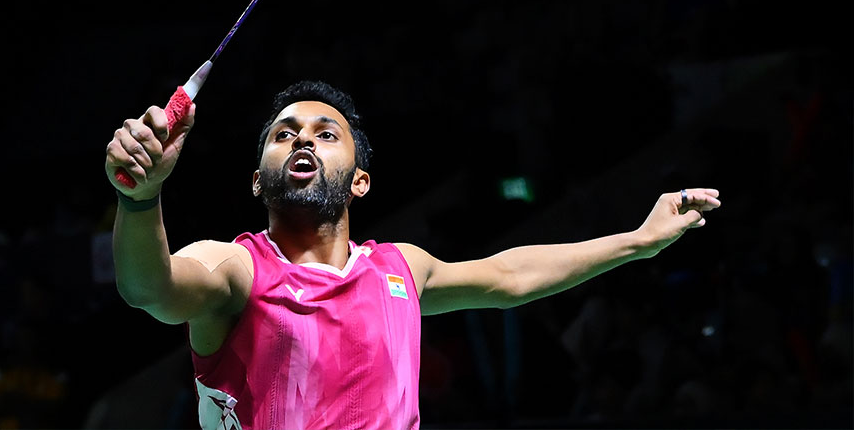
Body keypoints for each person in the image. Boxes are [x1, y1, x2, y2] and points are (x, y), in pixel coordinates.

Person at [104, 81, 720, 430]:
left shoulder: (397, 268)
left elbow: (510, 276)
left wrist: (637, 242)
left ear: (360, 181)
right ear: (258, 181)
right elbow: (149, 289)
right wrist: (140, 199)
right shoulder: (238, 269)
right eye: (284, 134)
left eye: (326, 133)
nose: (302, 139)